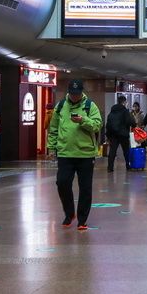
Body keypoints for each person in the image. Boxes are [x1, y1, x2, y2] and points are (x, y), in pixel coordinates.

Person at [47, 79, 103, 230]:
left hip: (85, 154)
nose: (74, 96)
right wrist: (51, 148)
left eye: (77, 94)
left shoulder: (90, 105)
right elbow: (53, 129)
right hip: (65, 152)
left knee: (85, 187)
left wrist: (83, 120)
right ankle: (69, 213)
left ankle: (82, 219)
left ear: (82, 92)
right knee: (62, 182)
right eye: (72, 94)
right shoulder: (60, 106)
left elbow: (97, 125)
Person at [105, 95, 135, 172]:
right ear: (124, 102)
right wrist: (135, 125)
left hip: (114, 134)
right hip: (123, 134)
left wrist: (108, 135)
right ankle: (128, 166)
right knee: (126, 150)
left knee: (112, 151)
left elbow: (109, 123)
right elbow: (128, 121)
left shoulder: (113, 110)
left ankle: (110, 167)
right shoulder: (125, 111)